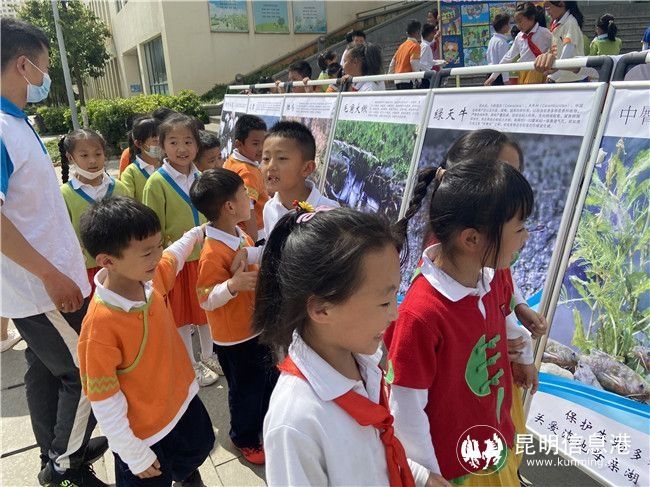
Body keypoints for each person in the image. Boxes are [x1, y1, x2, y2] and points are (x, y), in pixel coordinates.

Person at [257, 206, 450, 486]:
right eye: (385, 302)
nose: (394, 314)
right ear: (322, 309)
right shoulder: (295, 423)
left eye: (396, 295)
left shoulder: (362, 359)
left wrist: (419, 476)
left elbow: (370, 450)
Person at [0, 18, 109, 486]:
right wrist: (50, 274)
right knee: (88, 376)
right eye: (45, 66)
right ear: (24, 65)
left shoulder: (15, 122)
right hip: (42, 288)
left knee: (45, 372)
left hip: (41, 284)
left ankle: (60, 445)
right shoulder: (2, 129)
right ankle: (65, 466)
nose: (46, 77)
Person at [386, 160, 536, 485]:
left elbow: (504, 317)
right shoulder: (421, 314)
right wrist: (428, 476)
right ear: (471, 240)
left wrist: (522, 358)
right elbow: (406, 409)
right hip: (454, 472)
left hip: (491, 446)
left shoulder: (489, 278)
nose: (526, 238)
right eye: (519, 228)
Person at [78, 197, 215, 486]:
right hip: (145, 435)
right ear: (107, 261)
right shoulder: (99, 328)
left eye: (158, 245)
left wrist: (196, 233)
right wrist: (132, 452)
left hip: (182, 402)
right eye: (147, 252)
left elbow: (173, 257)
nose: (157, 256)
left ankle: (189, 476)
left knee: (194, 454)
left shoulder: (149, 281)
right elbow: (104, 399)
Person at [190, 168, 278, 465]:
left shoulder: (238, 234)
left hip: (255, 326)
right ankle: (244, 438)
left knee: (266, 381)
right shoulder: (213, 252)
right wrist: (231, 285)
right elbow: (205, 299)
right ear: (229, 207)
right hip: (236, 338)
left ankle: (264, 426)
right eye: (245, 196)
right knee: (246, 391)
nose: (250, 202)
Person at [142, 113, 221, 387]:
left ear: (197, 145)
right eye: (173, 142)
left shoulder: (203, 177)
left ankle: (210, 355)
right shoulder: (157, 183)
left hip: (207, 257)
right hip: (177, 262)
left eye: (188, 141)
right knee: (182, 317)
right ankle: (189, 364)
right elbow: (152, 227)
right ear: (162, 146)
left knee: (206, 312)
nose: (182, 148)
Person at [59, 129, 129, 293]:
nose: (92, 161)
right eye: (84, 155)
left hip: (123, 268)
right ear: (71, 158)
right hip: (85, 271)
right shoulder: (64, 195)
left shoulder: (120, 188)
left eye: (98, 154)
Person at [223, 114, 268, 242]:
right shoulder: (248, 172)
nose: (261, 148)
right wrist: (252, 238)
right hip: (256, 234)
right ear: (238, 144)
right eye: (255, 144)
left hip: (237, 228)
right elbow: (249, 206)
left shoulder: (232, 160)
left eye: (264, 142)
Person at [485, 3, 552, 86]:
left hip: (539, 72)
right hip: (523, 72)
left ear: (531, 18)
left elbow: (555, 50)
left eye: (520, 21)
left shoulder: (544, 33)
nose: (518, 25)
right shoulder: (519, 37)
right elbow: (508, 57)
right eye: (516, 22)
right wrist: (493, 77)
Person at [539, 1, 589, 83]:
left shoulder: (570, 22)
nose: (547, 11)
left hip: (574, 79)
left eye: (548, 7)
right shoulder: (556, 24)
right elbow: (555, 49)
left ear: (561, 3)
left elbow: (567, 51)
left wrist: (554, 75)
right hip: (562, 77)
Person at [120, 116, 162, 202]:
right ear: (139, 143)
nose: (160, 144)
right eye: (155, 140)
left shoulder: (169, 166)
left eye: (161, 139)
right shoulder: (130, 173)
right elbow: (128, 204)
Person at [389, 20, 423, 90]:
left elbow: (393, 62)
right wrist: (419, 78)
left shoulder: (402, 46)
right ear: (418, 31)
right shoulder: (415, 46)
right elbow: (414, 62)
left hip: (397, 79)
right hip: (407, 79)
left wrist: (390, 75)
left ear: (407, 32)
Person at [485, 14, 512, 85]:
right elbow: (503, 62)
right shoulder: (502, 42)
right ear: (504, 26)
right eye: (508, 24)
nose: (509, 26)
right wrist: (506, 80)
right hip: (499, 76)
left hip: (490, 72)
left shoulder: (492, 40)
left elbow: (488, 56)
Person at [419, 23, 437, 88]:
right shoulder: (426, 47)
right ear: (430, 34)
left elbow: (429, 61)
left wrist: (439, 62)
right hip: (425, 76)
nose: (434, 36)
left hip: (426, 75)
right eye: (433, 34)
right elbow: (421, 63)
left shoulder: (424, 45)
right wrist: (431, 72)